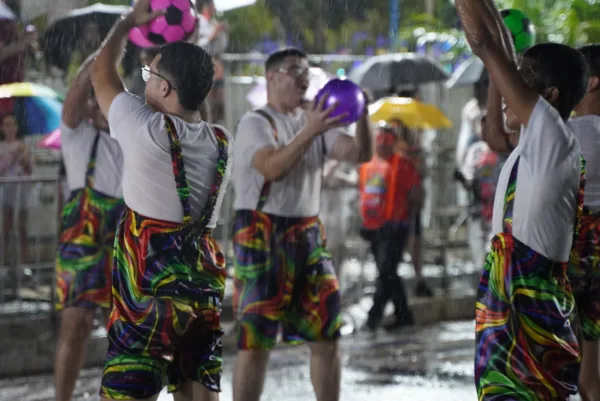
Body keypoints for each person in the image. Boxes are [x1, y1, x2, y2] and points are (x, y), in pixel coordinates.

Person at [91, 1, 233, 400]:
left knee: (129, 387)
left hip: (148, 280)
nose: (144, 81)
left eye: (149, 76)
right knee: (197, 385)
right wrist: (187, 60)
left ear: (165, 89)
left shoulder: (144, 127)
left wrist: (125, 24)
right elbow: (192, 111)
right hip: (201, 276)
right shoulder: (221, 140)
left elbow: (101, 71)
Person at [455, 1, 589, 400]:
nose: (512, 81)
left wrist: (492, 42)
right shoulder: (534, 140)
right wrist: (498, 31)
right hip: (514, 290)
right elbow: (494, 135)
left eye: (523, 78)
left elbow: (483, 44)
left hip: (530, 298)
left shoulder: (551, 133)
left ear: (549, 96)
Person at [231, 47, 373, 401]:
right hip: (261, 234)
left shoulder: (314, 122)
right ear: (272, 78)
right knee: (257, 342)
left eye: (307, 71)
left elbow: (361, 155)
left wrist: (364, 113)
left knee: (327, 335)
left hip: (307, 233)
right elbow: (272, 168)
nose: (304, 77)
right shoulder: (255, 123)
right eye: (294, 70)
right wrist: (310, 130)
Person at [53, 51, 125, 401]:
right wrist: (104, 53)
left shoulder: (133, 142)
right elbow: (75, 93)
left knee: (128, 328)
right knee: (75, 326)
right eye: (97, 101)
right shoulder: (77, 136)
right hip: (82, 238)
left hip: (123, 238)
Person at [358, 122, 423, 331]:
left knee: (386, 271)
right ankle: (404, 315)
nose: (382, 143)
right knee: (388, 273)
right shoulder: (369, 164)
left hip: (395, 226)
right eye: (380, 138)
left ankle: (372, 319)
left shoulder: (403, 163)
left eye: (386, 138)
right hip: (373, 228)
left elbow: (416, 193)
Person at [567, 44, 600, 401]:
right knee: (591, 376)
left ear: (590, 83)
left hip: (575, 252)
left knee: (563, 367)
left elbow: (497, 138)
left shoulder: (569, 133)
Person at [0, 112, 33, 268]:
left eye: (12, 124)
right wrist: (11, 159)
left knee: (22, 227)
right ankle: (5, 262)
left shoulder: (23, 145)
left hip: (22, 191)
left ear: (16, 127)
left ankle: (24, 263)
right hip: (7, 190)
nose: (9, 128)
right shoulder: (1, 147)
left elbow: (29, 168)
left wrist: (23, 156)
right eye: (6, 124)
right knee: (6, 228)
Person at [0, 0, 36, 116]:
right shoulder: (3, 17)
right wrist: (21, 43)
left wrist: (28, 42)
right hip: (4, 89)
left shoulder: (18, 17)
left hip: (18, 87)